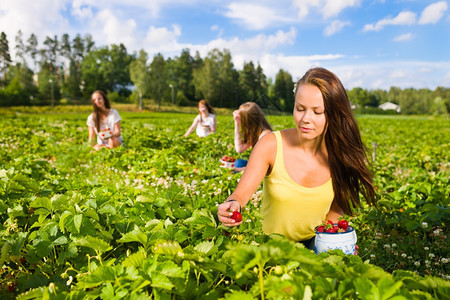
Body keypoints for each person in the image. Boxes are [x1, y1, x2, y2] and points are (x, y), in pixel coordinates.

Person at [217, 67, 376, 250]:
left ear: (334, 114)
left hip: (313, 244)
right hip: (271, 247)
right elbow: (240, 195)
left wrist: (334, 242)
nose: (305, 119)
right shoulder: (271, 145)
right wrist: (231, 205)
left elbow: (336, 208)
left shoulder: (340, 155)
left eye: (317, 112)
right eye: (300, 109)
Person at [233, 102, 273, 172]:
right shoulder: (255, 133)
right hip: (258, 167)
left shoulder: (265, 136)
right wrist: (237, 123)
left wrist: (237, 170)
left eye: (242, 119)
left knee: (238, 166)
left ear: (248, 120)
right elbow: (239, 149)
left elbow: (261, 167)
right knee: (239, 162)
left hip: (267, 171)